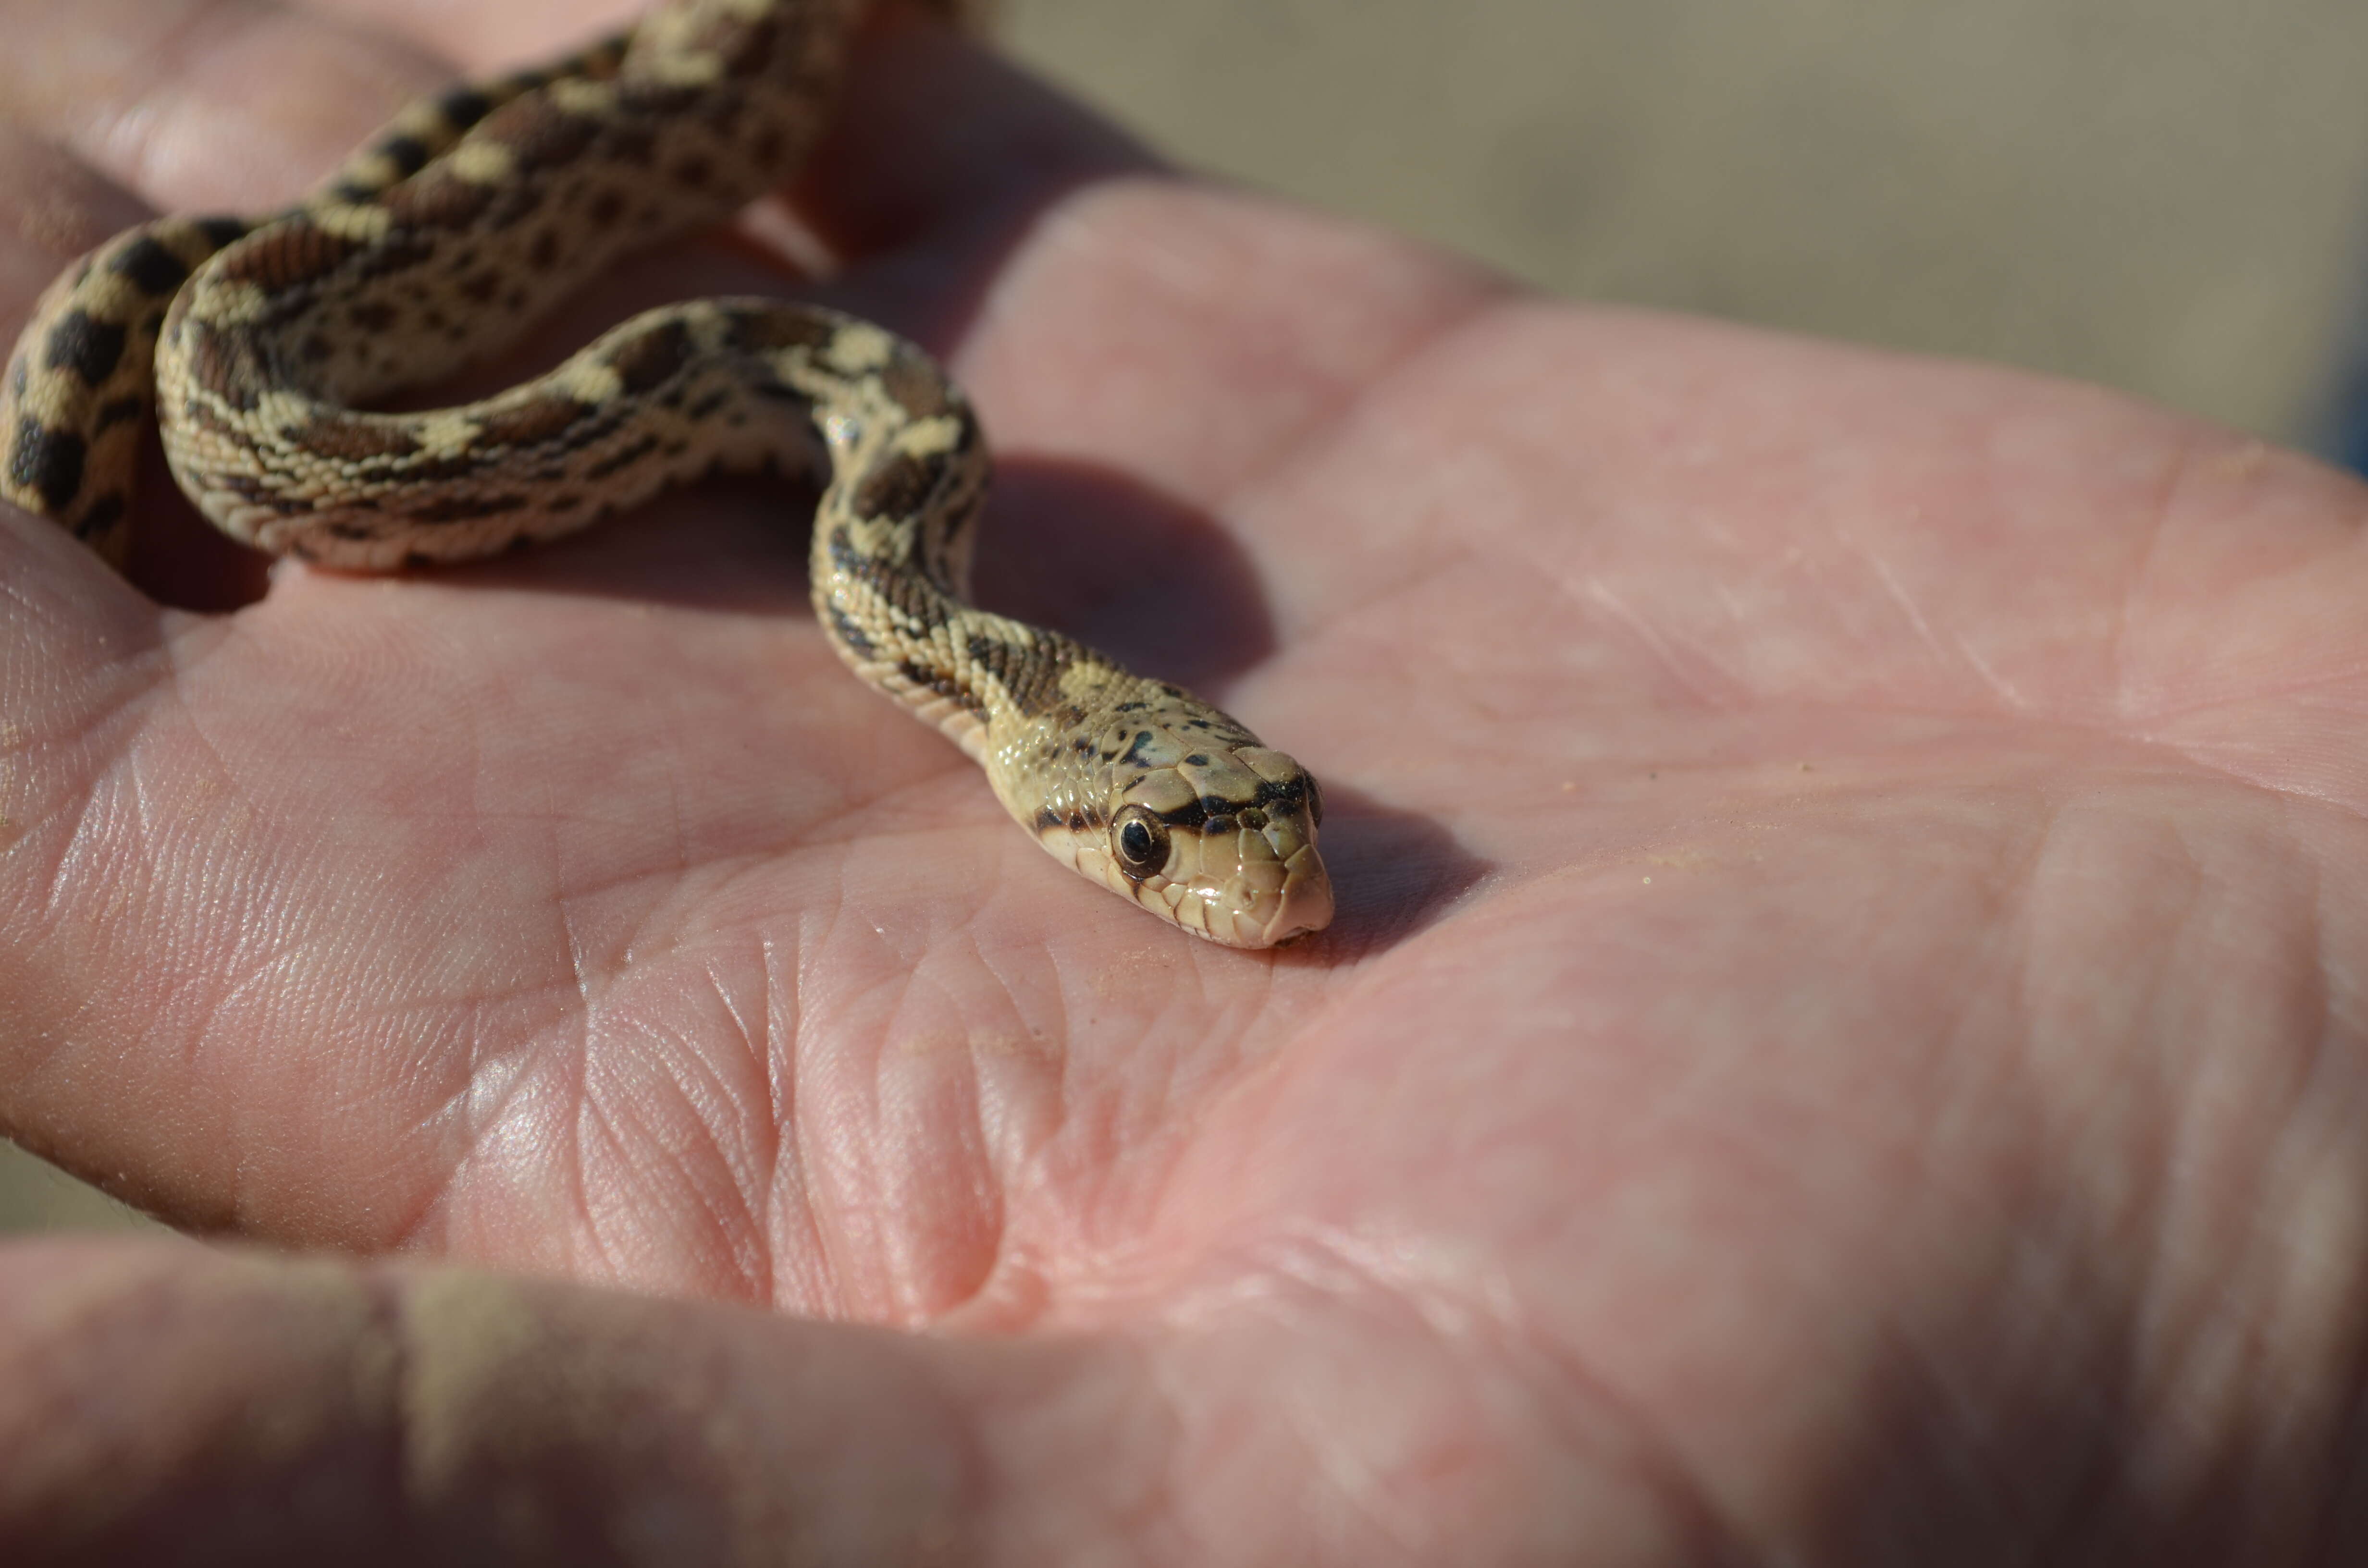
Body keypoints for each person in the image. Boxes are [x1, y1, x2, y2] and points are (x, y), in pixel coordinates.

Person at [1, 0, 2361, 1560]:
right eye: (1168, 846)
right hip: (418, 338)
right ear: (1063, 777)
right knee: (186, 324)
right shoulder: (880, 482)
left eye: (1247, 821)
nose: (1254, 884)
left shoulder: (910, 513)